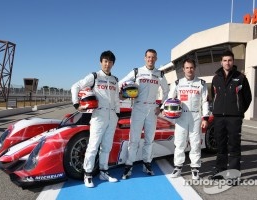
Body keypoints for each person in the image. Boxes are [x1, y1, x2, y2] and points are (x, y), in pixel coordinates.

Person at [71, 50, 120, 188]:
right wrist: (76, 104)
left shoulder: (115, 80)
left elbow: (116, 99)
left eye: (110, 62)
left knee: (107, 146)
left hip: (112, 116)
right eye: (105, 61)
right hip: (98, 115)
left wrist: (117, 114)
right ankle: (88, 174)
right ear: (101, 62)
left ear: (113, 64)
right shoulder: (94, 76)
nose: (107, 64)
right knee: (93, 146)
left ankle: (104, 172)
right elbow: (75, 86)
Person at [119, 49, 170, 179]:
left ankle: (147, 164)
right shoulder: (137, 72)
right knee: (134, 138)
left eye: (153, 57)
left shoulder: (160, 74)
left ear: (156, 59)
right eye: (148, 57)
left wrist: (161, 106)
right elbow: (121, 83)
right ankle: (128, 166)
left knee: (149, 139)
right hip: (138, 107)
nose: (150, 59)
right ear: (144, 58)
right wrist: (124, 93)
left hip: (152, 109)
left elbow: (167, 90)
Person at [163, 58, 209, 180]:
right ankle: (178, 167)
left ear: (194, 68)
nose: (189, 70)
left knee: (195, 143)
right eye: (187, 68)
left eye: (191, 67)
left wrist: (205, 118)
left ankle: (195, 168)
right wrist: (166, 112)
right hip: (181, 117)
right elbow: (169, 99)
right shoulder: (178, 83)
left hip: (196, 117)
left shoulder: (202, 83)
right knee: (179, 143)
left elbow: (205, 101)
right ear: (183, 69)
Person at [210, 50, 252, 179]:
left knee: (234, 146)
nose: (227, 63)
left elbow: (247, 97)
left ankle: (234, 175)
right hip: (219, 117)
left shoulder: (240, 77)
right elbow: (213, 95)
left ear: (233, 61)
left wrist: (238, 111)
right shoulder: (216, 78)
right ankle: (220, 171)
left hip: (234, 118)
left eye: (229, 60)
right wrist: (216, 109)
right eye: (225, 60)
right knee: (221, 145)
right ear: (221, 62)